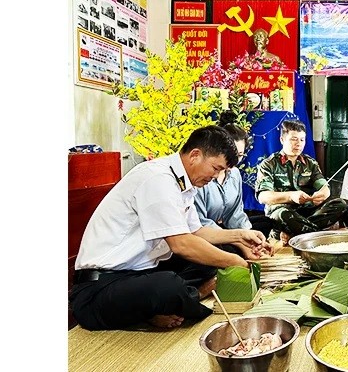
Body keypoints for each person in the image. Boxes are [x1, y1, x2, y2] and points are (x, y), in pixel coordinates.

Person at [70, 125, 273, 331]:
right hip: (100, 287)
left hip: (140, 273)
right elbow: (182, 245)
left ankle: (161, 307)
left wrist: (239, 237)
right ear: (195, 155)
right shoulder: (157, 178)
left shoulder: (183, 183)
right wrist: (236, 263)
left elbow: (197, 232)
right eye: (216, 168)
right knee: (169, 286)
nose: (215, 177)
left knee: (221, 252)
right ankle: (192, 295)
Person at [256, 120, 346, 243]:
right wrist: (291, 196)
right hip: (282, 212)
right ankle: (319, 237)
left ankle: (293, 232)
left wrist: (323, 193)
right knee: (284, 215)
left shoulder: (310, 162)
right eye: (294, 139)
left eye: (302, 140)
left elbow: (323, 185)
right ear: (282, 139)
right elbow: (263, 196)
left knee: (339, 204)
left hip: (306, 212)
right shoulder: (269, 164)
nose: (298, 144)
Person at [195, 111, 275, 240]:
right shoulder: (203, 176)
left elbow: (235, 214)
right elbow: (199, 223)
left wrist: (248, 235)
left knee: (266, 223)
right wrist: (235, 237)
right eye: (231, 154)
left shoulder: (235, 173)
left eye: (240, 155)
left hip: (225, 229)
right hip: (205, 233)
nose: (235, 160)